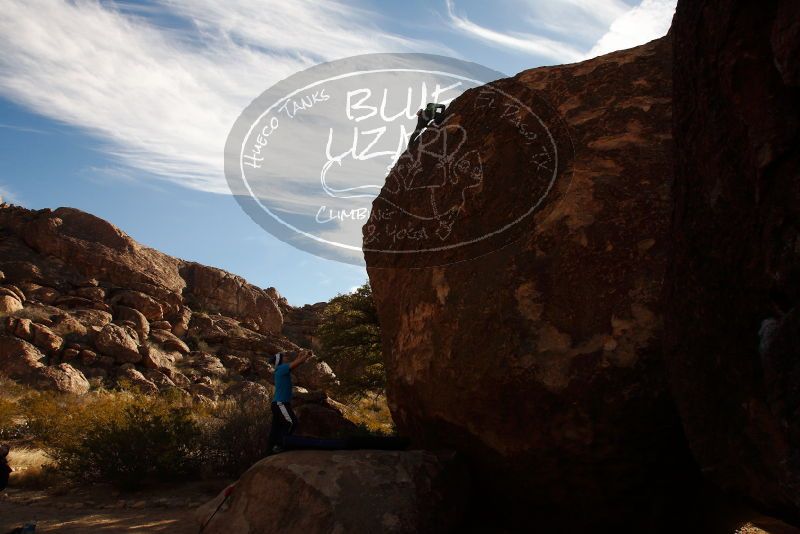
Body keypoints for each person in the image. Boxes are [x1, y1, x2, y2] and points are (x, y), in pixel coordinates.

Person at [267, 349, 313, 454]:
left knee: (276, 428)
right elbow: (298, 363)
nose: (287, 358)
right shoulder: (282, 368)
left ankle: (271, 449)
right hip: (281, 404)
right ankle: (280, 445)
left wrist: (301, 355)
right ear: (281, 361)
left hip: (278, 404)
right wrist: (307, 356)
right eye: (285, 358)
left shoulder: (280, 369)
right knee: (292, 423)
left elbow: (295, 363)